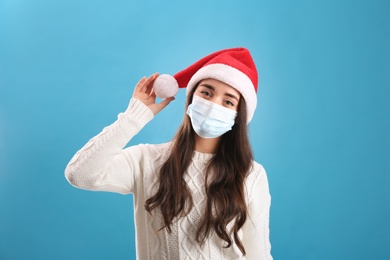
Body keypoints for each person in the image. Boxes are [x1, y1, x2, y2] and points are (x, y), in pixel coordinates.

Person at [65, 47, 272, 259]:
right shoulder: (146, 161)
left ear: (238, 115)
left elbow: (259, 254)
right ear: (190, 98)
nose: (212, 105)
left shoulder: (252, 175)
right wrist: (134, 117)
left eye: (228, 101)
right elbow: (80, 174)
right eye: (206, 93)